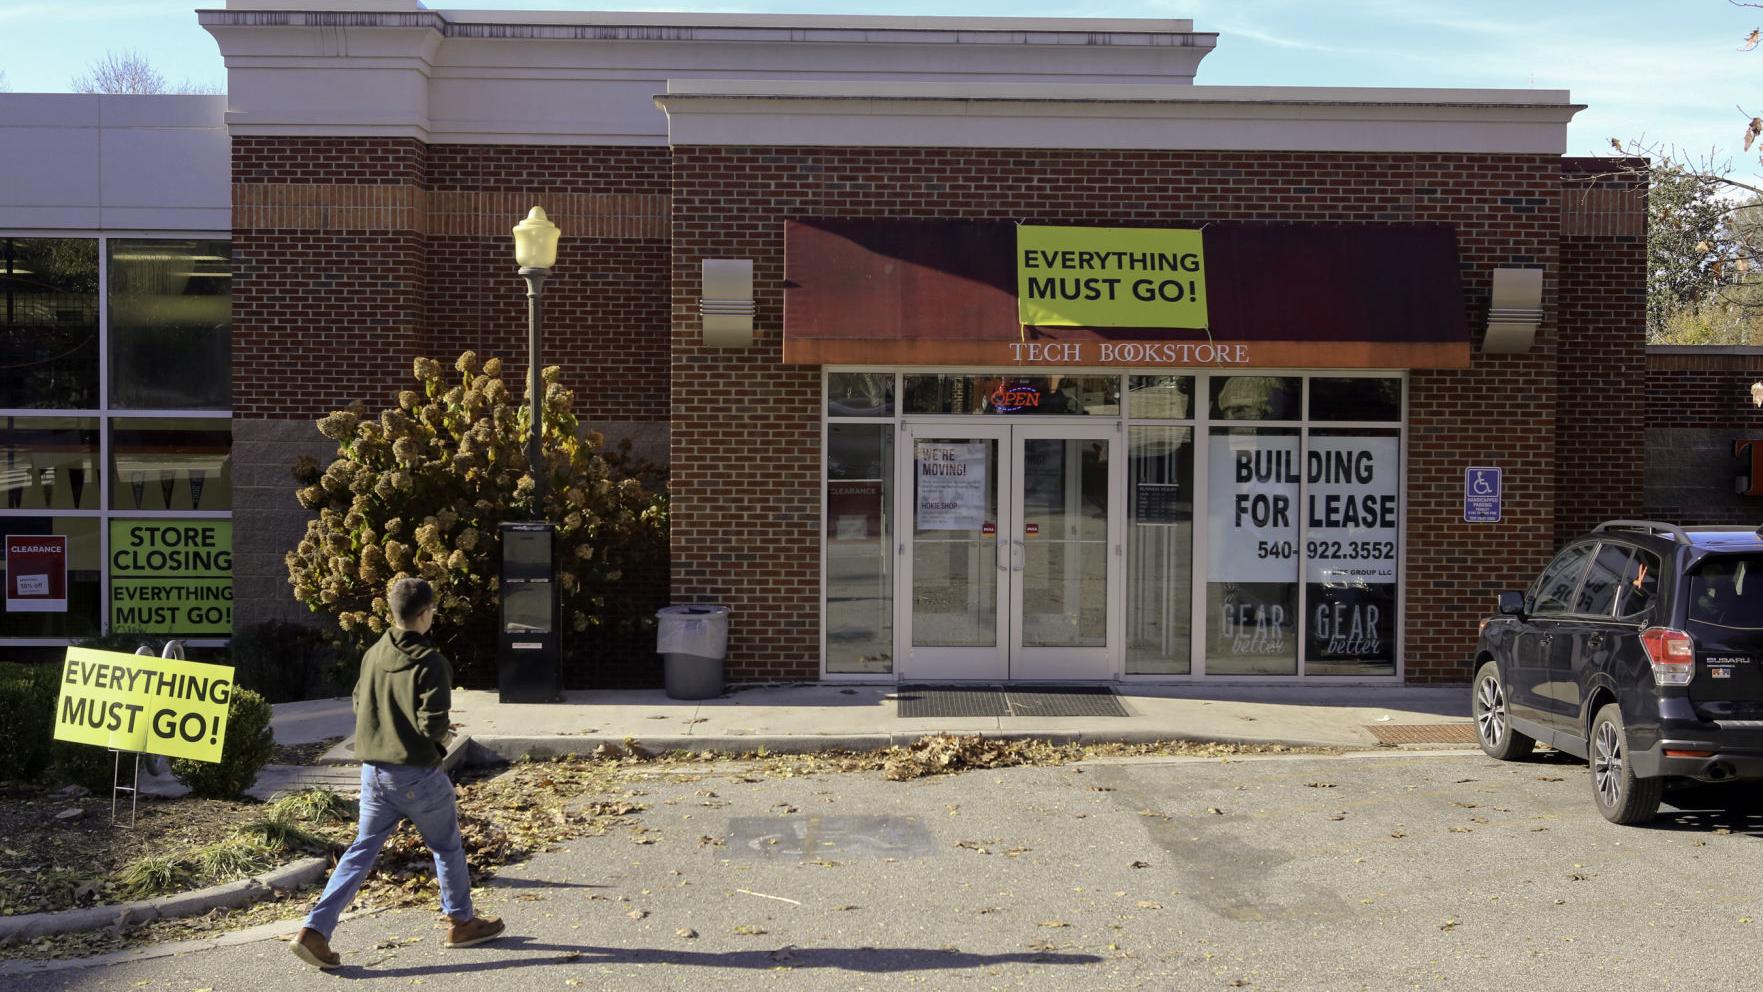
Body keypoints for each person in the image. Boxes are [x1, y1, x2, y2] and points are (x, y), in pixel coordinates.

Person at [290, 578, 505, 970]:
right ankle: (460, 922)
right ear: (423, 614)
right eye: (433, 611)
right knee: (446, 846)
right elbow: (431, 724)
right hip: (416, 774)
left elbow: (360, 702)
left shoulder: (373, 653)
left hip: (373, 773)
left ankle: (315, 932)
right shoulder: (431, 663)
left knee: (359, 852)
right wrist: (443, 734)